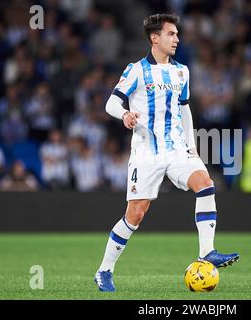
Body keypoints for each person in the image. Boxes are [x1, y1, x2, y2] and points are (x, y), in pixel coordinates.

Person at [94, 13, 239, 292]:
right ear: (155, 38)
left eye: (177, 34)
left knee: (206, 185)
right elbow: (111, 103)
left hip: (177, 150)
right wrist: (125, 114)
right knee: (135, 215)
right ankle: (104, 271)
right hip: (146, 152)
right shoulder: (136, 70)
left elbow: (185, 110)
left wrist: (192, 146)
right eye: (171, 34)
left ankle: (206, 252)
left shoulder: (181, 71)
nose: (177, 38)